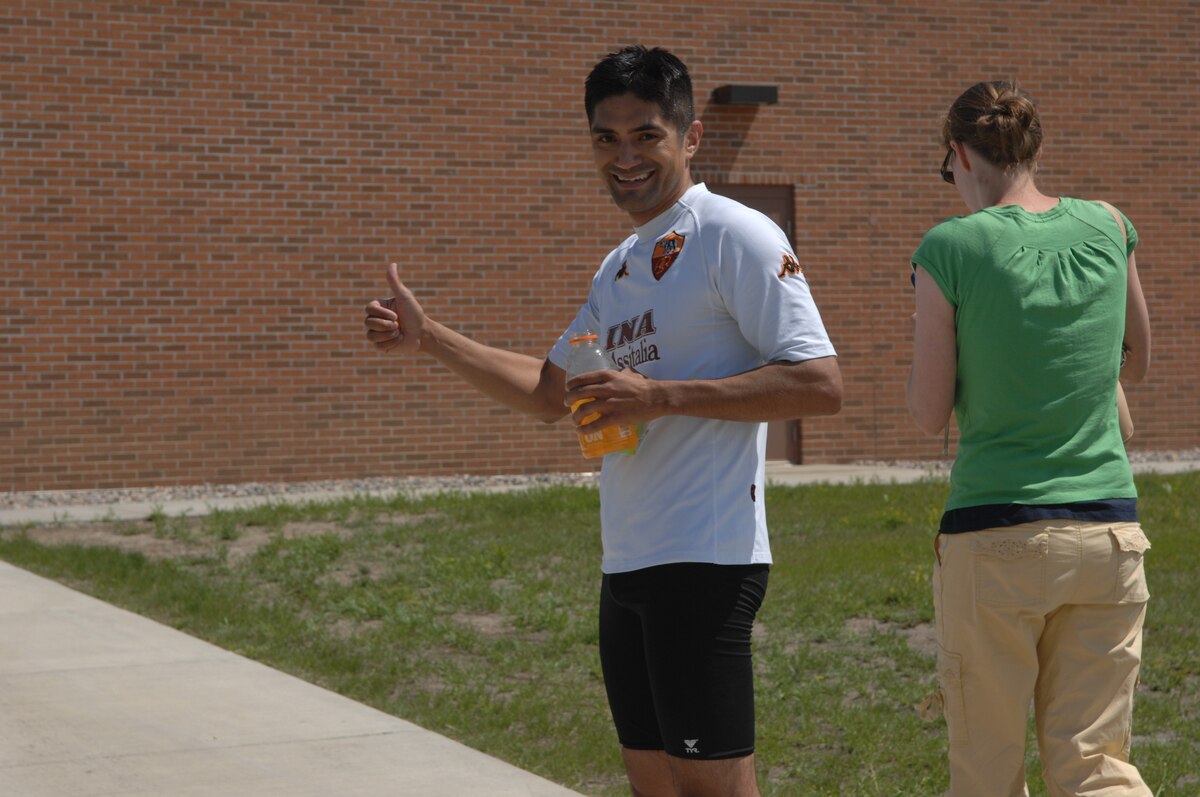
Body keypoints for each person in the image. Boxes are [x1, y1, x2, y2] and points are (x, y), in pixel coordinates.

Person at [365, 45, 841, 797]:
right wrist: (431, 339)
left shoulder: (733, 233)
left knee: (713, 789)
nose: (625, 157)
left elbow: (819, 383)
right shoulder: (618, 266)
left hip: (705, 557)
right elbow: (548, 392)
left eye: (646, 135)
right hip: (627, 563)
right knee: (652, 784)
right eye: (606, 138)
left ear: (690, 138)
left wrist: (662, 397)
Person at [907, 80, 1152, 796]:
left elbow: (928, 412)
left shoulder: (949, 246)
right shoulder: (1110, 225)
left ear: (959, 155)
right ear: (1032, 148)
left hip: (995, 535)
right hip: (1108, 536)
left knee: (987, 769)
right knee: (1097, 766)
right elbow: (1137, 361)